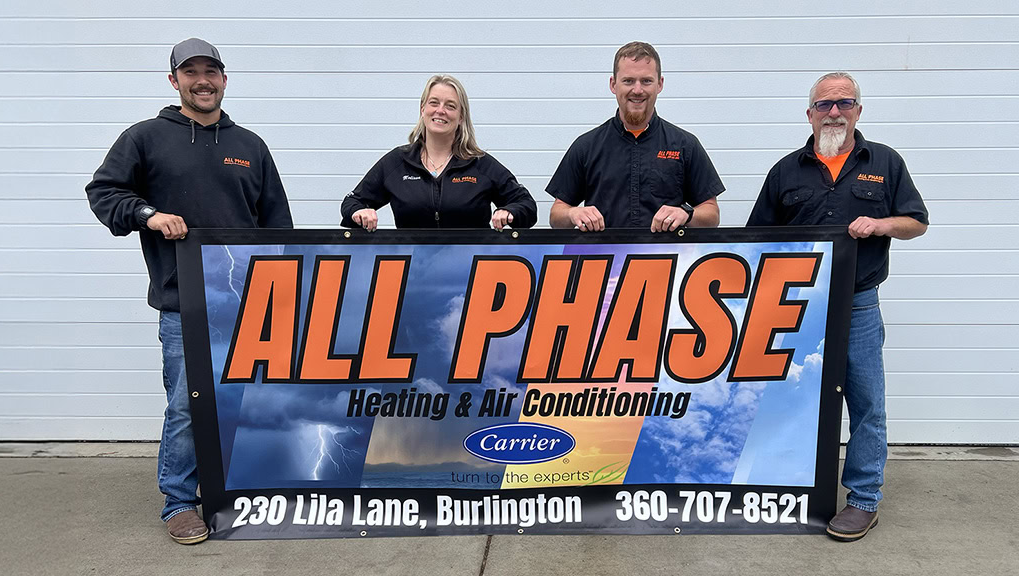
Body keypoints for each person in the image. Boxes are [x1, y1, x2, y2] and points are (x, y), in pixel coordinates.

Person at [85, 38, 293, 544]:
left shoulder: (250, 146)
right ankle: (179, 502)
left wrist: (282, 294)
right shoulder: (145, 138)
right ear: (174, 80)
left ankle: (236, 491)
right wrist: (148, 215)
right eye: (191, 71)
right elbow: (104, 192)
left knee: (244, 402)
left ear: (224, 79)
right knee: (186, 405)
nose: (203, 81)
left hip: (248, 304)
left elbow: (277, 226)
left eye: (211, 71)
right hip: (185, 303)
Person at [747, 71, 929, 542]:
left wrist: (882, 224)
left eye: (844, 103)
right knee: (789, 397)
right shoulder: (785, 171)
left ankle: (863, 499)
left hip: (859, 305)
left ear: (858, 111)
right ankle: (786, 487)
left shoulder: (885, 163)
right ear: (809, 114)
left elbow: (916, 222)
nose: (834, 112)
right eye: (825, 105)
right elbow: (758, 237)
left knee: (867, 404)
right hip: (798, 308)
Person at [547, 41, 723, 233]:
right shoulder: (586, 146)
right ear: (613, 84)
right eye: (628, 81)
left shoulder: (685, 145)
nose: (637, 90)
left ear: (659, 84)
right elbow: (556, 216)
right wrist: (573, 213)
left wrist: (686, 214)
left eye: (646, 81)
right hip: (604, 253)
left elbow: (711, 214)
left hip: (666, 253)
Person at [341, 74, 536, 230]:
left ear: (461, 117)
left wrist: (510, 212)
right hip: (415, 266)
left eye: (450, 106)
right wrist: (359, 212)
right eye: (434, 103)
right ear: (422, 109)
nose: (440, 111)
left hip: (469, 267)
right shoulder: (397, 162)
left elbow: (526, 204)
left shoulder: (480, 164)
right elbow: (352, 202)